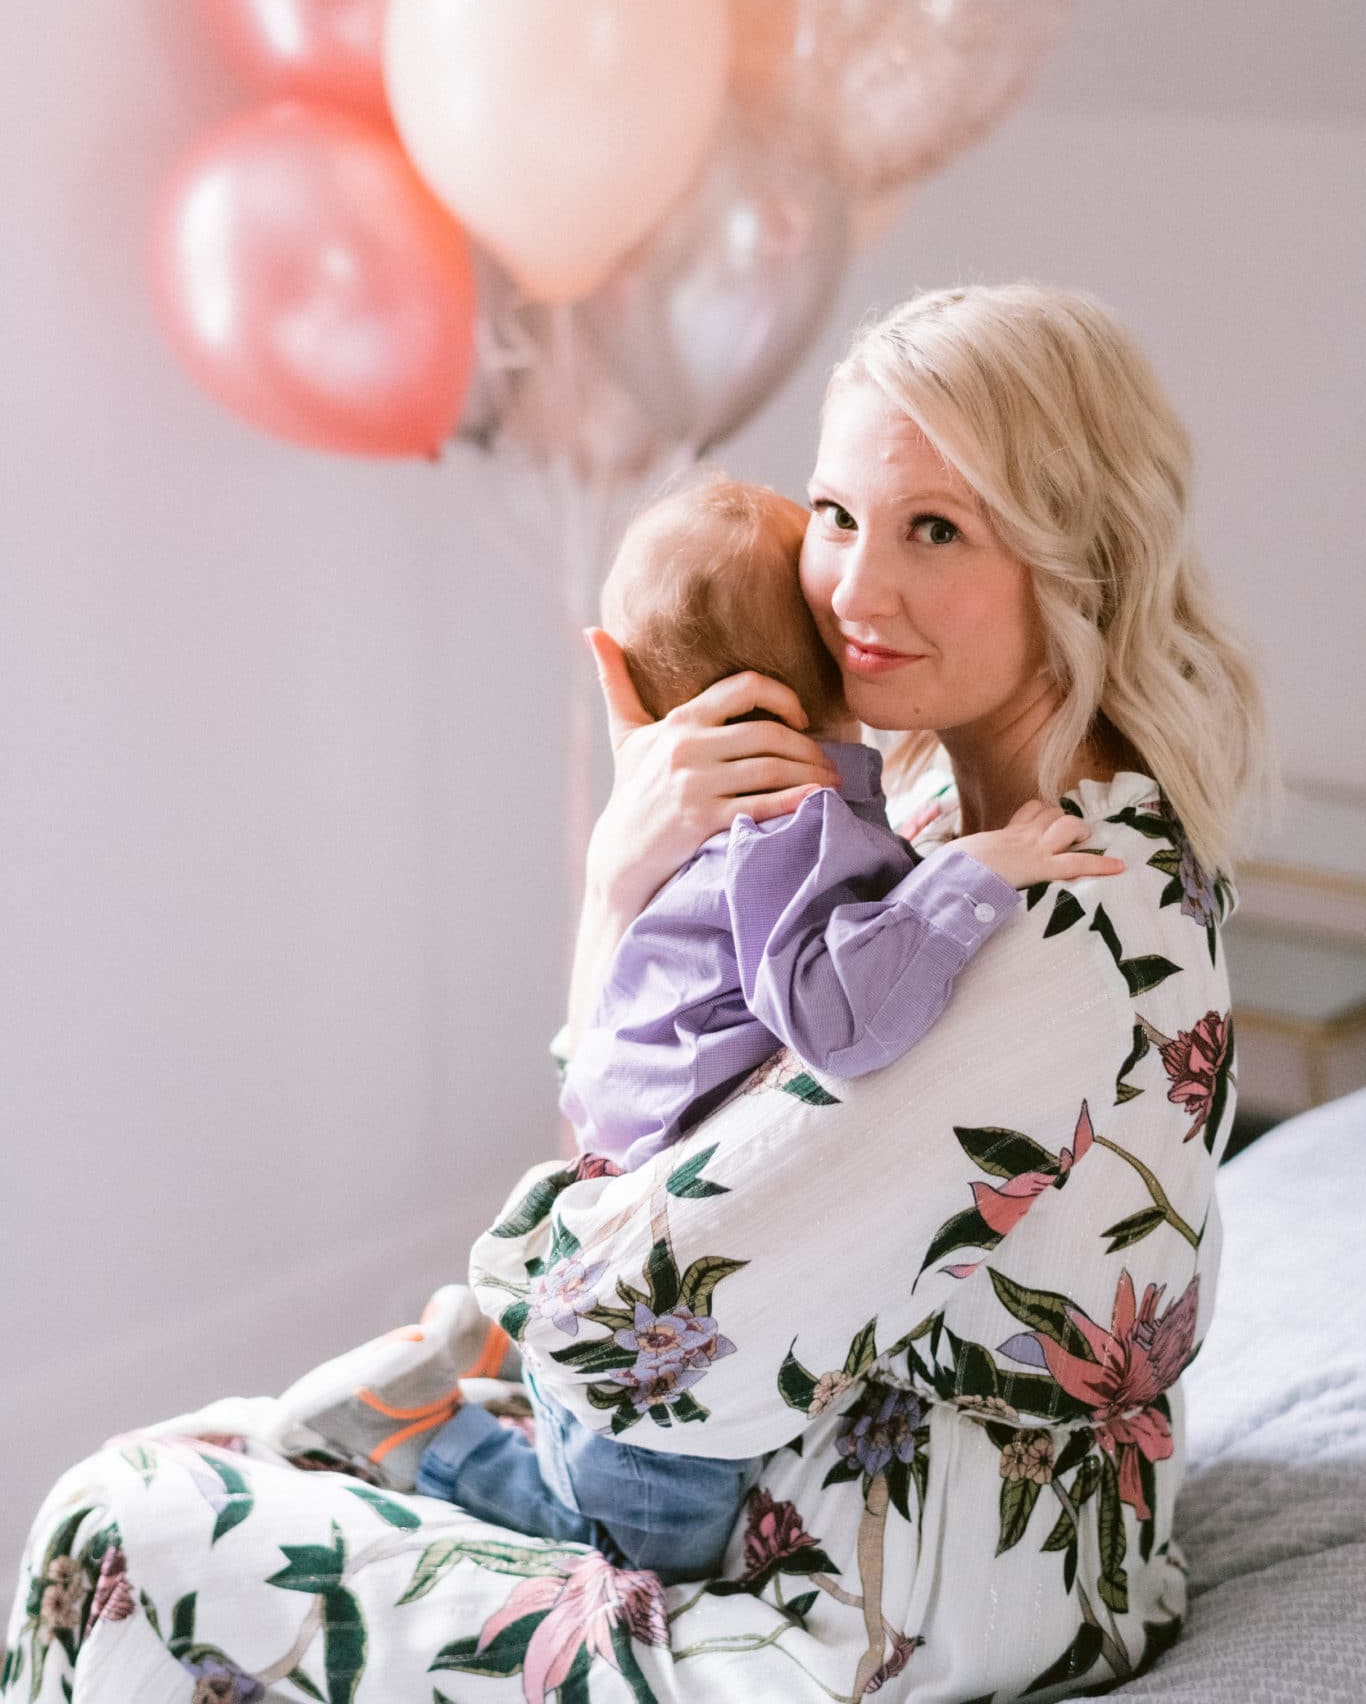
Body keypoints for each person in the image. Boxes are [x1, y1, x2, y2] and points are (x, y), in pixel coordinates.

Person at [6, 284, 1270, 1704]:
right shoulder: (987, 829)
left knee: (113, 1520)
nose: (852, 590)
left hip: (860, 1615)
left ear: (1077, 553)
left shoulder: (1041, 924)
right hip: (868, 1531)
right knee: (259, 1449)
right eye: (837, 513)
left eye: (936, 527)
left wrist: (549, 1237)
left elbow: (635, 1336)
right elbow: (669, 1174)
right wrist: (634, 878)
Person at [410, 475, 1124, 1583]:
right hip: (637, 1327)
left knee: (592, 1455)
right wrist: (967, 875)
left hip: (606, 1206)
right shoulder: (804, 828)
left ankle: (482, 1387)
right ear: (839, 652)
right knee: (646, 1540)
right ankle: (436, 1446)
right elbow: (836, 1021)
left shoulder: (752, 823)